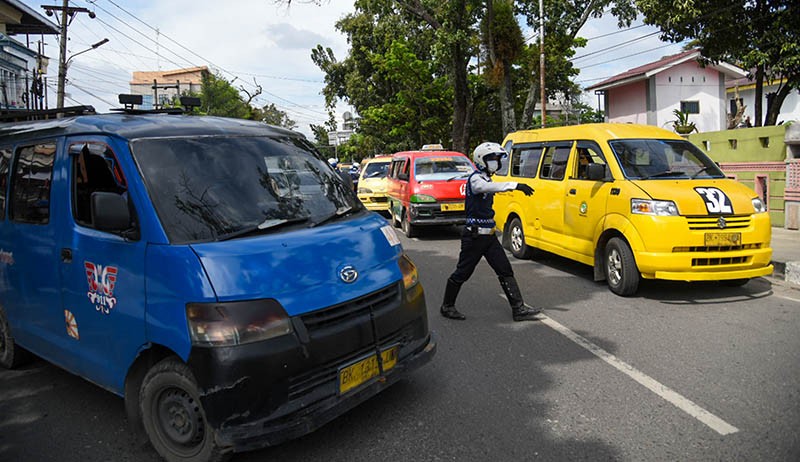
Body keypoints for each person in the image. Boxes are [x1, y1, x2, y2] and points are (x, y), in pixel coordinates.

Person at [440, 142, 541, 322]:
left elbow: (492, 186)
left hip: (489, 237)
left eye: (497, 158)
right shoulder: (475, 179)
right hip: (474, 237)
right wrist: (515, 185)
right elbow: (487, 188)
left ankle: (518, 309)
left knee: (505, 269)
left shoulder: (486, 179)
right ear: (481, 160)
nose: (496, 162)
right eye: (492, 158)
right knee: (463, 272)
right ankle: (447, 306)